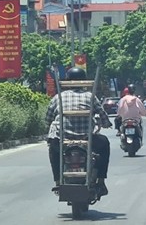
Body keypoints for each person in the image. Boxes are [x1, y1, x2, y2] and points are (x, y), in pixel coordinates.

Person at [46, 67, 112, 196]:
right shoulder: (90, 96)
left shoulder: (58, 97)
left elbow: (48, 118)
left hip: (62, 139)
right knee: (104, 143)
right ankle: (101, 181)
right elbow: (103, 115)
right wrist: (106, 124)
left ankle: (58, 181)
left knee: (53, 151)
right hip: (86, 138)